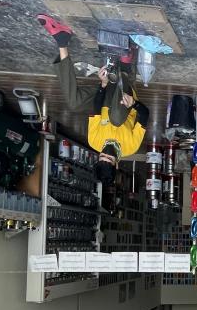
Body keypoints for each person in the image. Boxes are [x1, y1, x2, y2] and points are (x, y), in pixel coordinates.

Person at [37, 15, 150, 186]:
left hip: (103, 95)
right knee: (116, 119)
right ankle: (125, 68)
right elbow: (145, 114)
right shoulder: (131, 147)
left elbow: (96, 109)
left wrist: (103, 85)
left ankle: (62, 40)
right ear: (116, 164)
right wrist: (134, 104)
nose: (106, 152)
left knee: (74, 103)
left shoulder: (94, 141)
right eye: (109, 157)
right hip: (124, 96)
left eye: (102, 156)